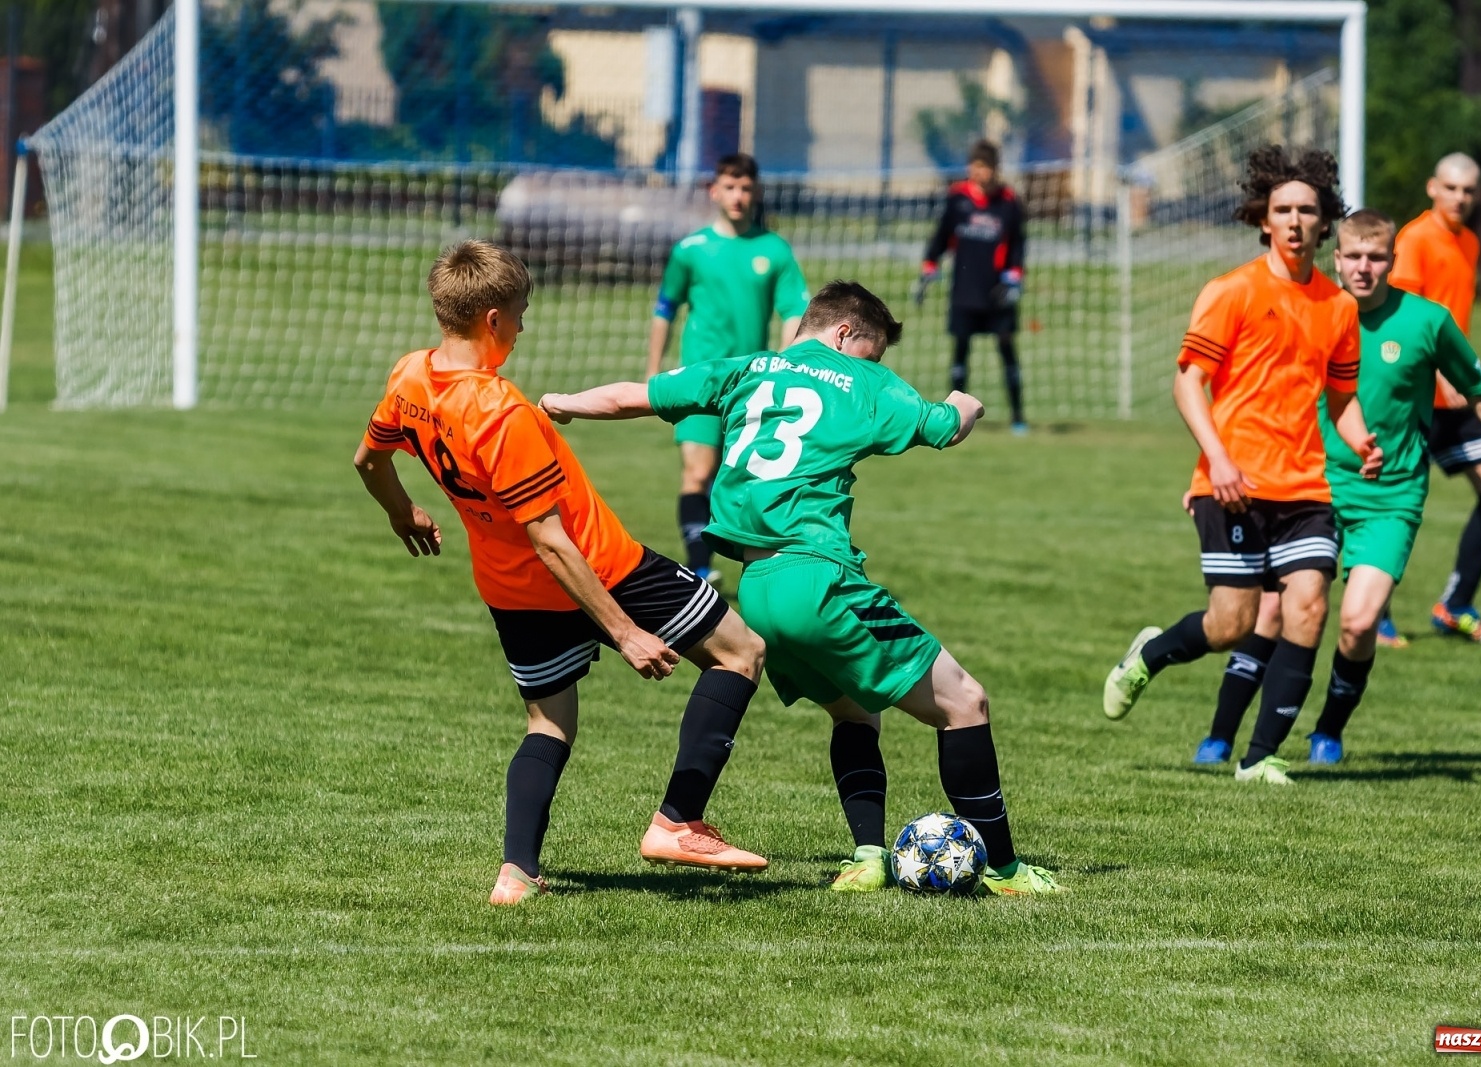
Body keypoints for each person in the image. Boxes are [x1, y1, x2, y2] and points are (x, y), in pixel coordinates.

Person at [542, 280, 1062, 895]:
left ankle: (867, 857)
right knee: (965, 702)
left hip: (758, 590)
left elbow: (637, 396)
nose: (871, 366)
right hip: (821, 580)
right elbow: (946, 425)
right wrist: (968, 400)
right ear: (844, 334)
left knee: (853, 708)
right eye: (871, 352)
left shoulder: (747, 368)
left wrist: (563, 401)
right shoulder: (861, 382)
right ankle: (1005, 869)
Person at [355, 240, 770, 905]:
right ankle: (678, 820)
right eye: (519, 314)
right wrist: (625, 628)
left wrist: (402, 512)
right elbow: (551, 541)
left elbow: (368, 461)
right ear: (492, 319)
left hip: (508, 587)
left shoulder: (409, 377)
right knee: (740, 651)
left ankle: (516, 872)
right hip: (603, 568)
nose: (523, 328)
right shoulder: (502, 412)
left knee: (548, 725)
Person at [1194, 211, 1481, 766]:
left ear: (1393, 261)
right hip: (1312, 487)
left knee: (1357, 622)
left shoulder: (1427, 322)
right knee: (1272, 614)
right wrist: (1210, 473)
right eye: (1353, 256)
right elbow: (1254, 395)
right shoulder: (1316, 310)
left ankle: (1328, 729)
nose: (1364, 267)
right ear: (1337, 258)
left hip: (1392, 497)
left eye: (1376, 257)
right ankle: (1221, 734)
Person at [1100, 145, 1383, 787]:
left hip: (1305, 486)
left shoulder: (1338, 308)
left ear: (1324, 222)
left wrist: (1362, 441)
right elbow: (1187, 385)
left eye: (1306, 210)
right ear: (1264, 219)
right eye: (1282, 209)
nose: (1293, 221)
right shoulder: (1231, 291)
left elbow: (1340, 399)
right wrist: (1219, 461)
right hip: (1230, 487)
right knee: (1231, 625)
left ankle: (1261, 758)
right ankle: (1148, 654)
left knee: (1308, 605)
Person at [648, 153, 810, 585]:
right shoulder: (691, 250)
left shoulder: (773, 249)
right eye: (730, 187)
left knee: (740, 481)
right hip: (699, 381)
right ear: (714, 191)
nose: (738, 196)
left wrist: (785, 360)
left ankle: (760, 571)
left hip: (752, 386)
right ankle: (700, 567)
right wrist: (653, 369)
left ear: (754, 193)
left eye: (745, 188)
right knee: (698, 472)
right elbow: (665, 307)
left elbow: (795, 308)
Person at [1391, 152, 1481, 645]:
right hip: (1418, 399)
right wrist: (1437, 376)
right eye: (1450, 188)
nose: (1459, 198)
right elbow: (1401, 320)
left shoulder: (1469, 242)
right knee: (1398, 506)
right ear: (1431, 187)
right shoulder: (1414, 240)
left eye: (1468, 190)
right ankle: (1374, 613)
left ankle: (1455, 604)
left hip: (1457, 398)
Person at [915, 139, 1028, 433]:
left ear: (994, 169)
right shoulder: (957, 198)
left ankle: (1018, 417)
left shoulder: (1008, 202)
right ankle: (954, 419)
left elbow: (1018, 244)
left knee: (1006, 347)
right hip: (964, 288)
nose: (978, 173)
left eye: (984, 168)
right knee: (961, 349)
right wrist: (930, 264)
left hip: (997, 291)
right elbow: (941, 235)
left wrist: (1015, 275)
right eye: (974, 167)